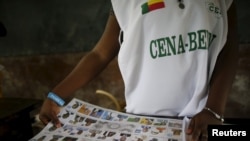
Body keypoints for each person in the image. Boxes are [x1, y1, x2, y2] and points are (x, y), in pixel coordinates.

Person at [39, 0, 238, 140]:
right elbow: (100, 54)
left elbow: (228, 49)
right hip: (141, 122)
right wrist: (55, 95)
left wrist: (214, 111)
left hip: (201, 122)